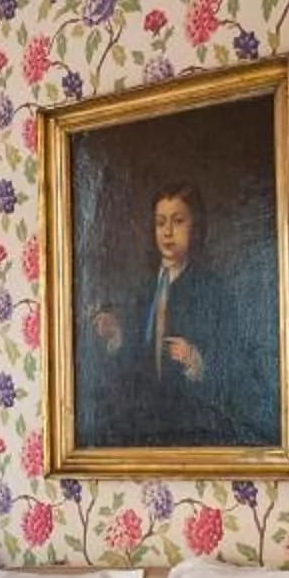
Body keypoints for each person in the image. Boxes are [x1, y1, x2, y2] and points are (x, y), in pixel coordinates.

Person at [85, 180, 266, 448]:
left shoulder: (212, 289)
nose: (167, 232)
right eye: (160, 223)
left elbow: (234, 361)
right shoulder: (144, 290)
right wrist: (117, 336)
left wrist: (196, 359)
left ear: (196, 227)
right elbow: (133, 363)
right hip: (145, 424)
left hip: (195, 424)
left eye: (178, 221)